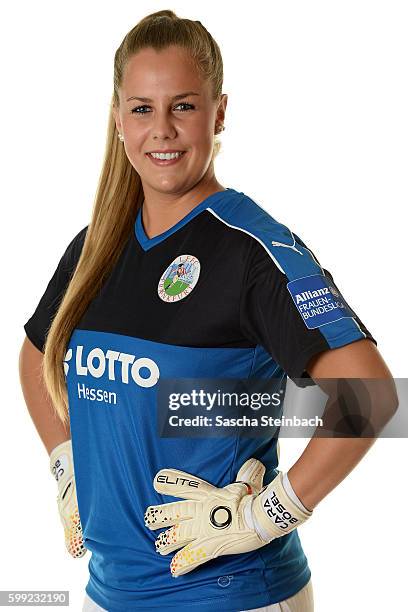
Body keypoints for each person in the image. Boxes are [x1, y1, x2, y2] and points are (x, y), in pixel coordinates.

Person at [19, 9, 397, 612]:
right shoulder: (97, 247)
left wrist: (264, 516)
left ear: (219, 112)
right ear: (117, 119)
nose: (161, 129)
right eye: (142, 108)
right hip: (108, 595)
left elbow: (370, 396)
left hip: (230, 595)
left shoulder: (251, 249)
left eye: (184, 106)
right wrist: (66, 462)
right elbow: (38, 354)